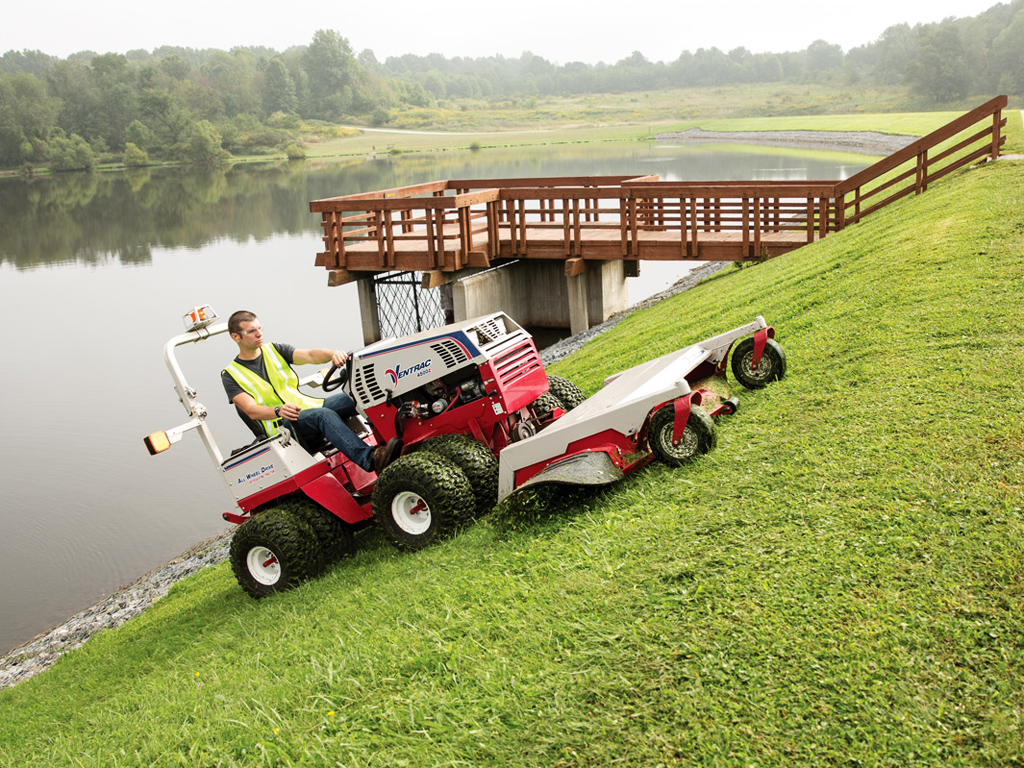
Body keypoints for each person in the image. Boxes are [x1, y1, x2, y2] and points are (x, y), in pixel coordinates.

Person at [221, 310, 402, 473]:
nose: (259, 334)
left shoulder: (274, 350)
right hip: (281, 425)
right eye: (251, 331)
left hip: (308, 407)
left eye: (259, 328)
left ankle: (401, 436)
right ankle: (370, 459)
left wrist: (332, 354)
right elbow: (250, 409)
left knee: (357, 395)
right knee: (322, 415)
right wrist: (277, 410)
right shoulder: (231, 375)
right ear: (236, 337)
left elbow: (310, 355)